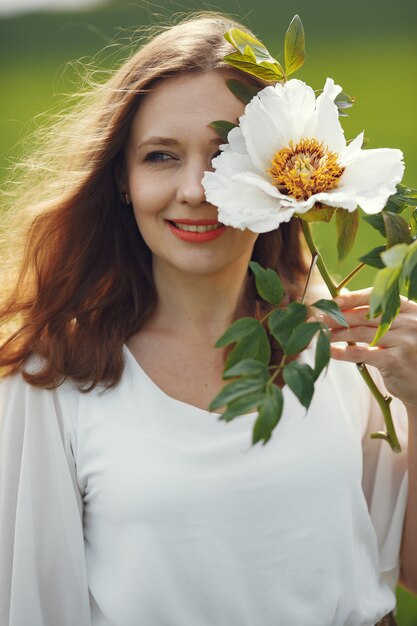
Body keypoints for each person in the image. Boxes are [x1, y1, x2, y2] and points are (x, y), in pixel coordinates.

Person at [0, 11, 416, 626]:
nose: (196, 188)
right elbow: (34, 605)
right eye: (161, 155)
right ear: (122, 179)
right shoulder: (53, 374)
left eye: (228, 154)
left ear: (286, 172)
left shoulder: (347, 350)